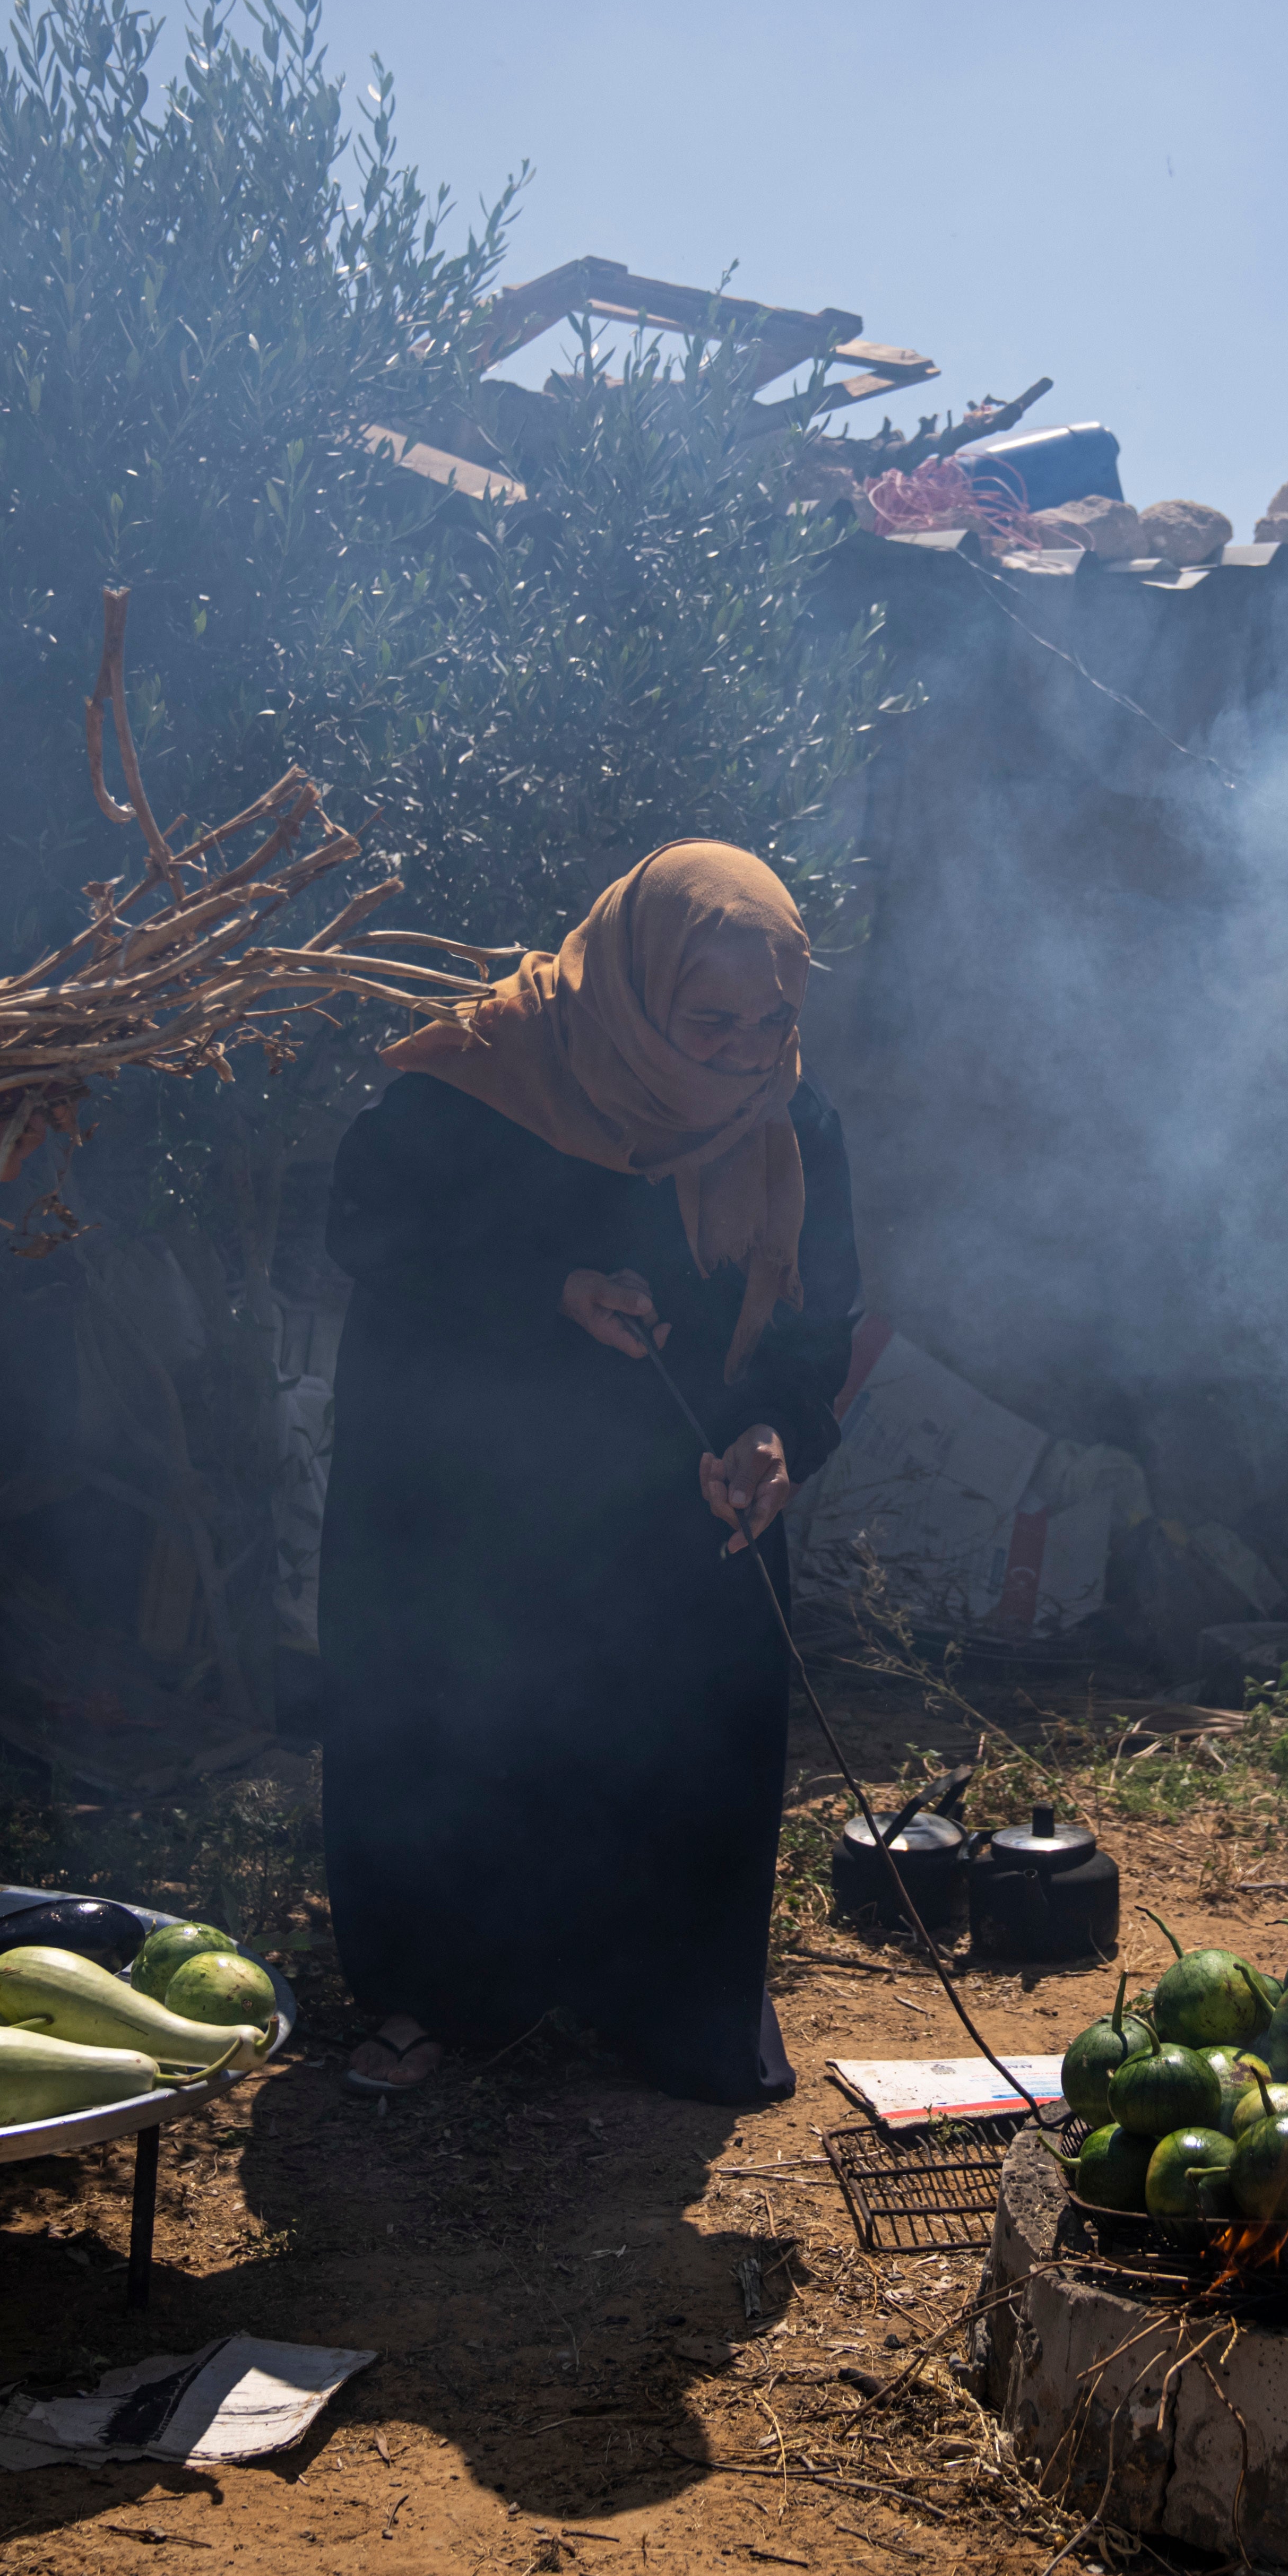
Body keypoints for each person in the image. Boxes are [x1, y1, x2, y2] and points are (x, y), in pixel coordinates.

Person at [310, 841, 859, 2105]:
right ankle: (435, 1992)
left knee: (682, 1723)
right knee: (456, 1718)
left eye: (771, 1021)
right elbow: (368, 1228)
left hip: (680, 1490)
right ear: (638, 981)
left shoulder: (790, 1115)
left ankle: (662, 2004)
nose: (741, 1055)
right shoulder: (485, 1073)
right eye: (709, 1022)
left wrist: (773, 1434)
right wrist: (548, 1288)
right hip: (469, 1486)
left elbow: (815, 1321)